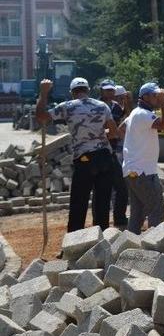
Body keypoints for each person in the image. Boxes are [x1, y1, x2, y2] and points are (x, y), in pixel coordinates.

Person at [36, 78, 118, 232]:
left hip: (84, 159)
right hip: (105, 158)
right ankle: (101, 243)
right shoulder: (102, 106)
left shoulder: (67, 107)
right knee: (102, 203)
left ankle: (74, 243)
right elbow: (113, 133)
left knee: (78, 203)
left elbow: (41, 117)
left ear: (72, 92)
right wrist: (97, 136)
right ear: (87, 90)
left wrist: (43, 93)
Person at [122, 83, 164, 234]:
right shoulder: (143, 114)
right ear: (145, 97)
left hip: (132, 171)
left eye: (159, 96)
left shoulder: (134, 114)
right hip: (143, 172)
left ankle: (130, 244)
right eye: (155, 96)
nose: (158, 99)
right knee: (156, 208)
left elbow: (119, 131)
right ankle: (156, 246)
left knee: (137, 214)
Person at [99, 79, 128, 228]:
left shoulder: (116, 107)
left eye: (112, 90)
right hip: (100, 150)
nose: (110, 93)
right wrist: (110, 132)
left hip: (113, 150)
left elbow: (124, 119)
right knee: (102, 189)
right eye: (107, 90)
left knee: (121, 187)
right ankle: (101, 224)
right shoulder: (97, 107)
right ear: (101, 91)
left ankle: (120, 220)